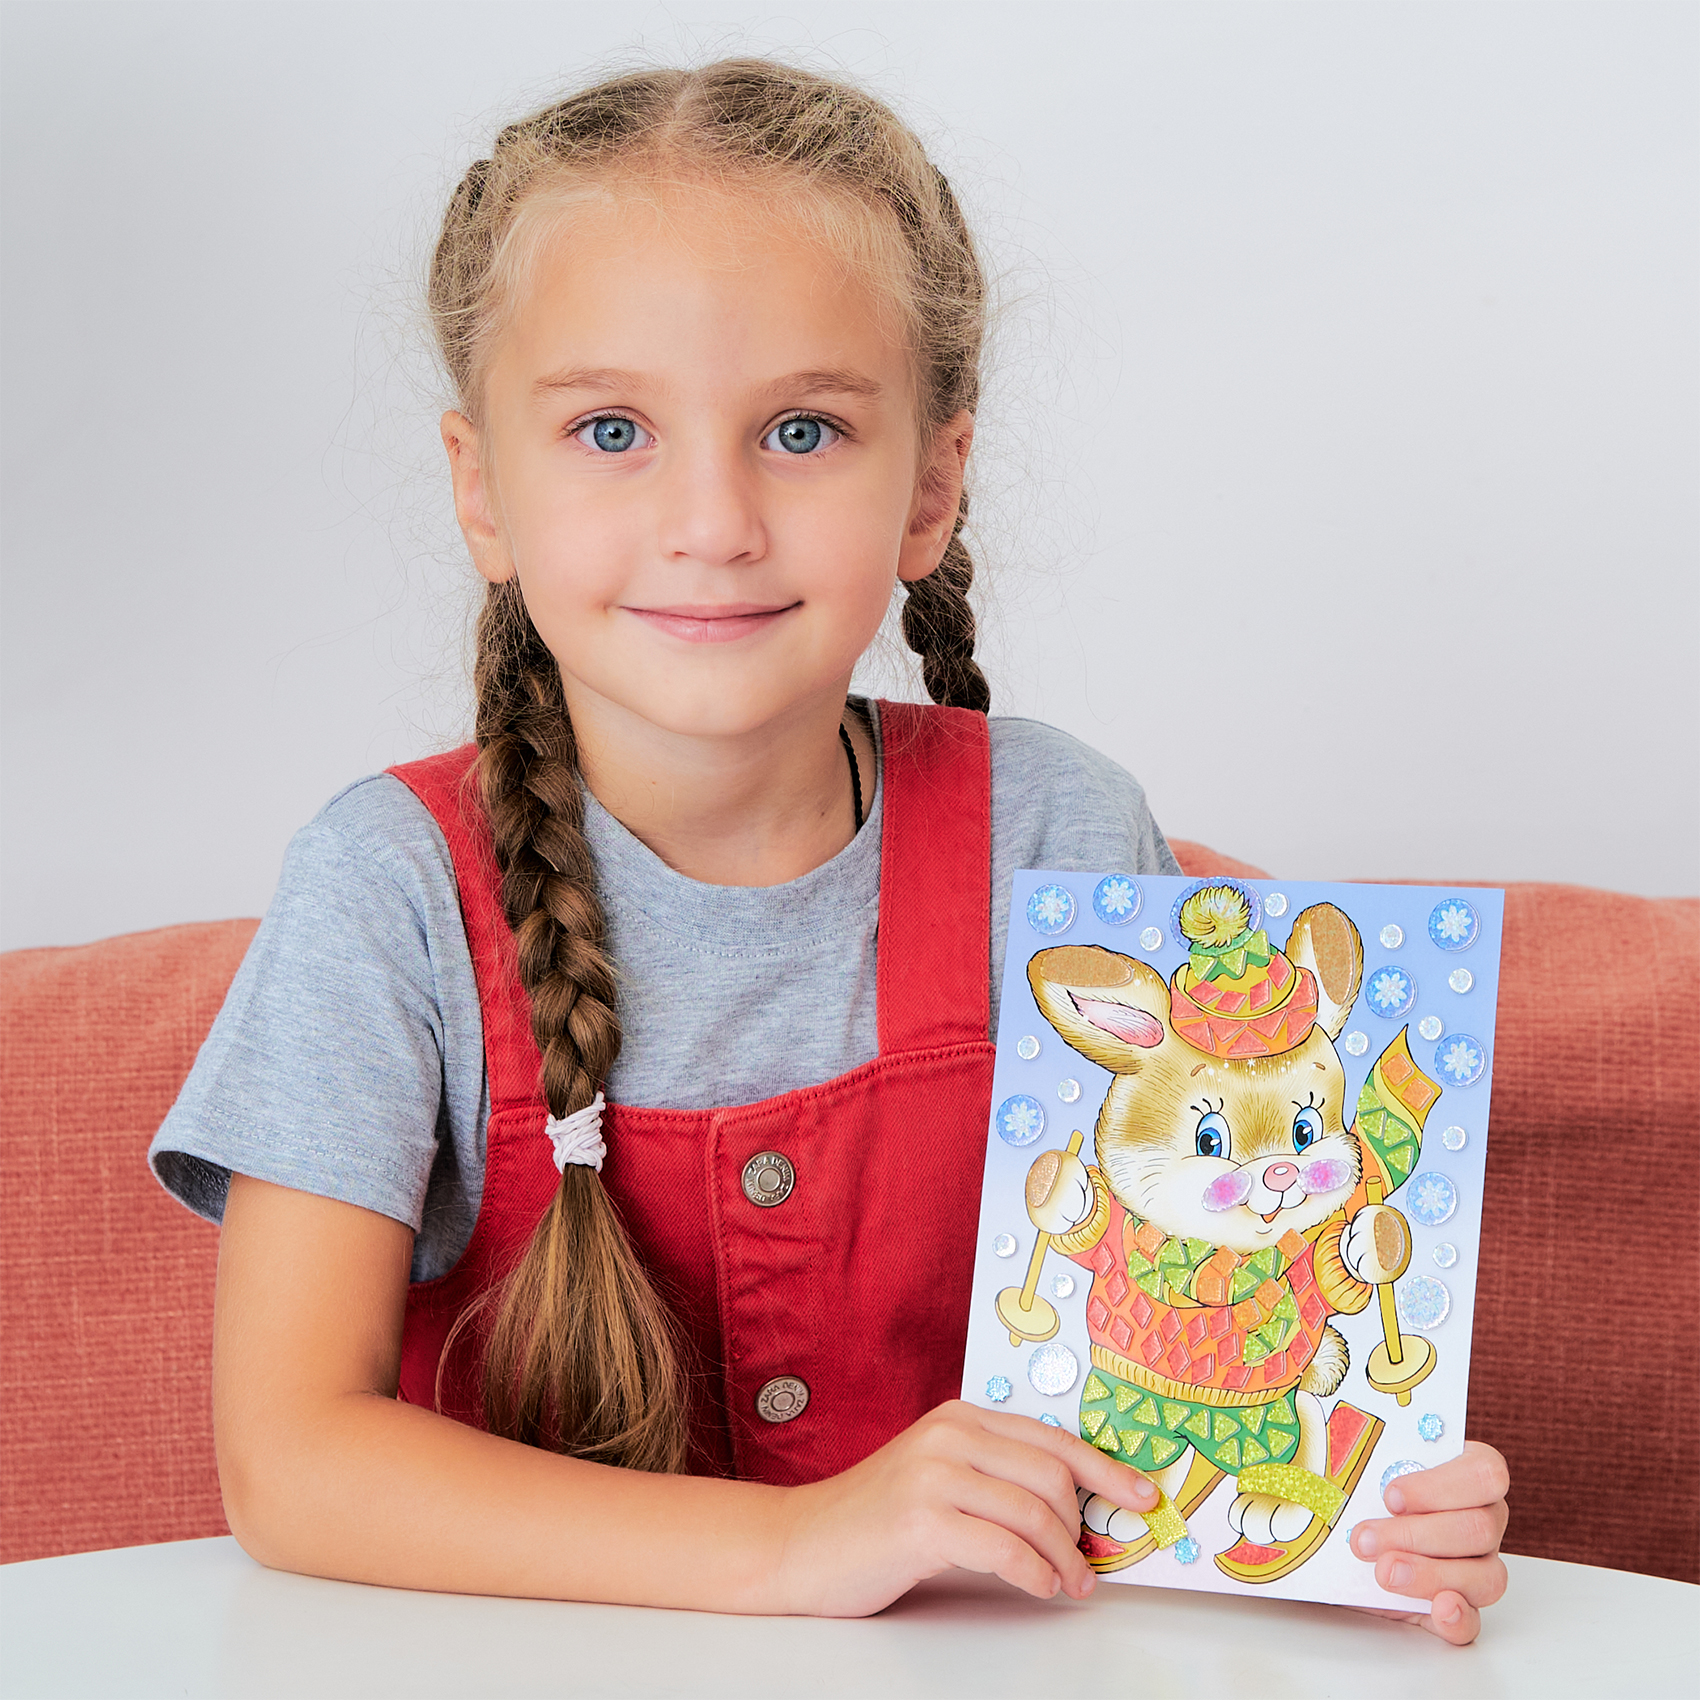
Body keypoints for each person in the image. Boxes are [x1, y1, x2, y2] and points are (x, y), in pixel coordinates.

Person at [150, 59, 1508, 1636]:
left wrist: (1367, 1501)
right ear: (483, 491)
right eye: (609, 428)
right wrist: (798, 1548)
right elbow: (291, 1465)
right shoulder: (386, 892)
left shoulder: (1063, 836)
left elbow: (1199, 1337)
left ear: (930, 488)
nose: (713, 519)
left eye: (802, 429)